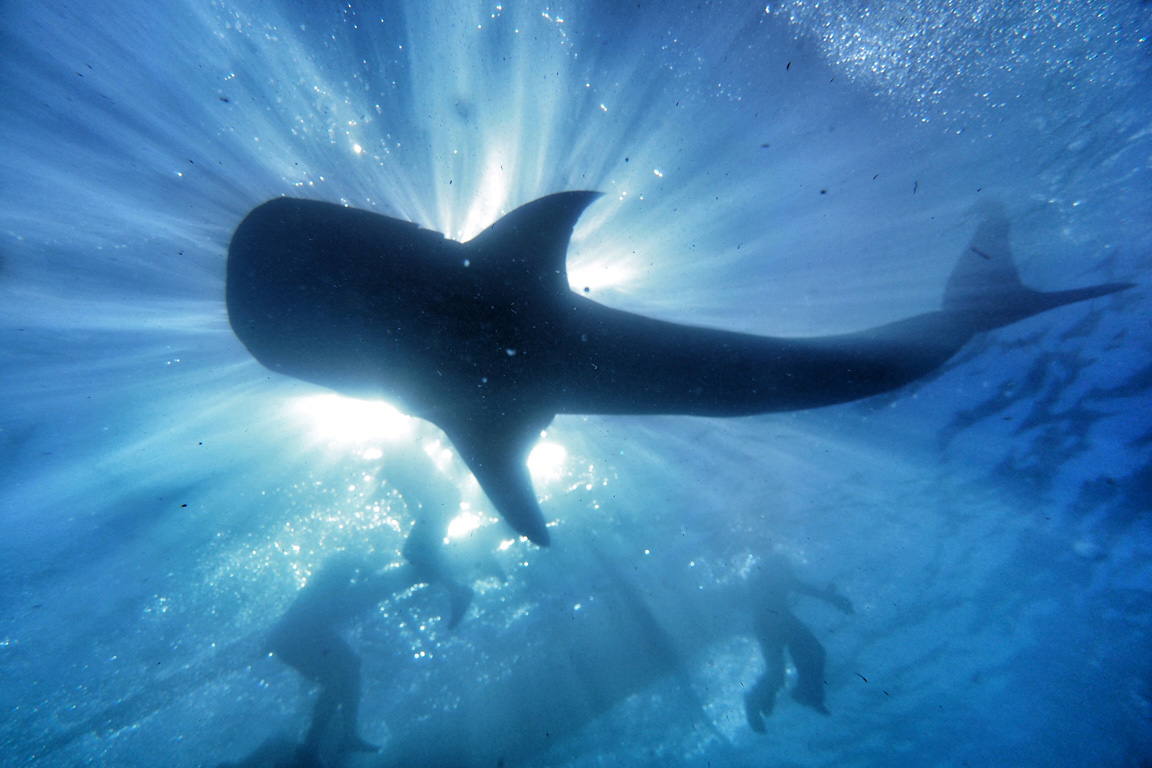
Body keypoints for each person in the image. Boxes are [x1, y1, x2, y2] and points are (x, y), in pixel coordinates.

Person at [265, 522, 472, 762]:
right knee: (344, 672)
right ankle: (333, 740)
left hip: (297, 634)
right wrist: (370, 568)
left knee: (344, 675)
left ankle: (328, 742)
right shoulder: (347, 561)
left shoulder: (346, 576)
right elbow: (355, 571)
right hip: (299, 632)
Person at [744, 553, 853, 731]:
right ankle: (762, 700)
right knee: (806, 657)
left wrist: (829, 597)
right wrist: (830, 598)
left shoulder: (766, 574)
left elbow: (799, 586)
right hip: (775, 620)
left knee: (784, 670)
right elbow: (801, 587)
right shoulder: (773, 572)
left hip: (774, 621)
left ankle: (797, 694)